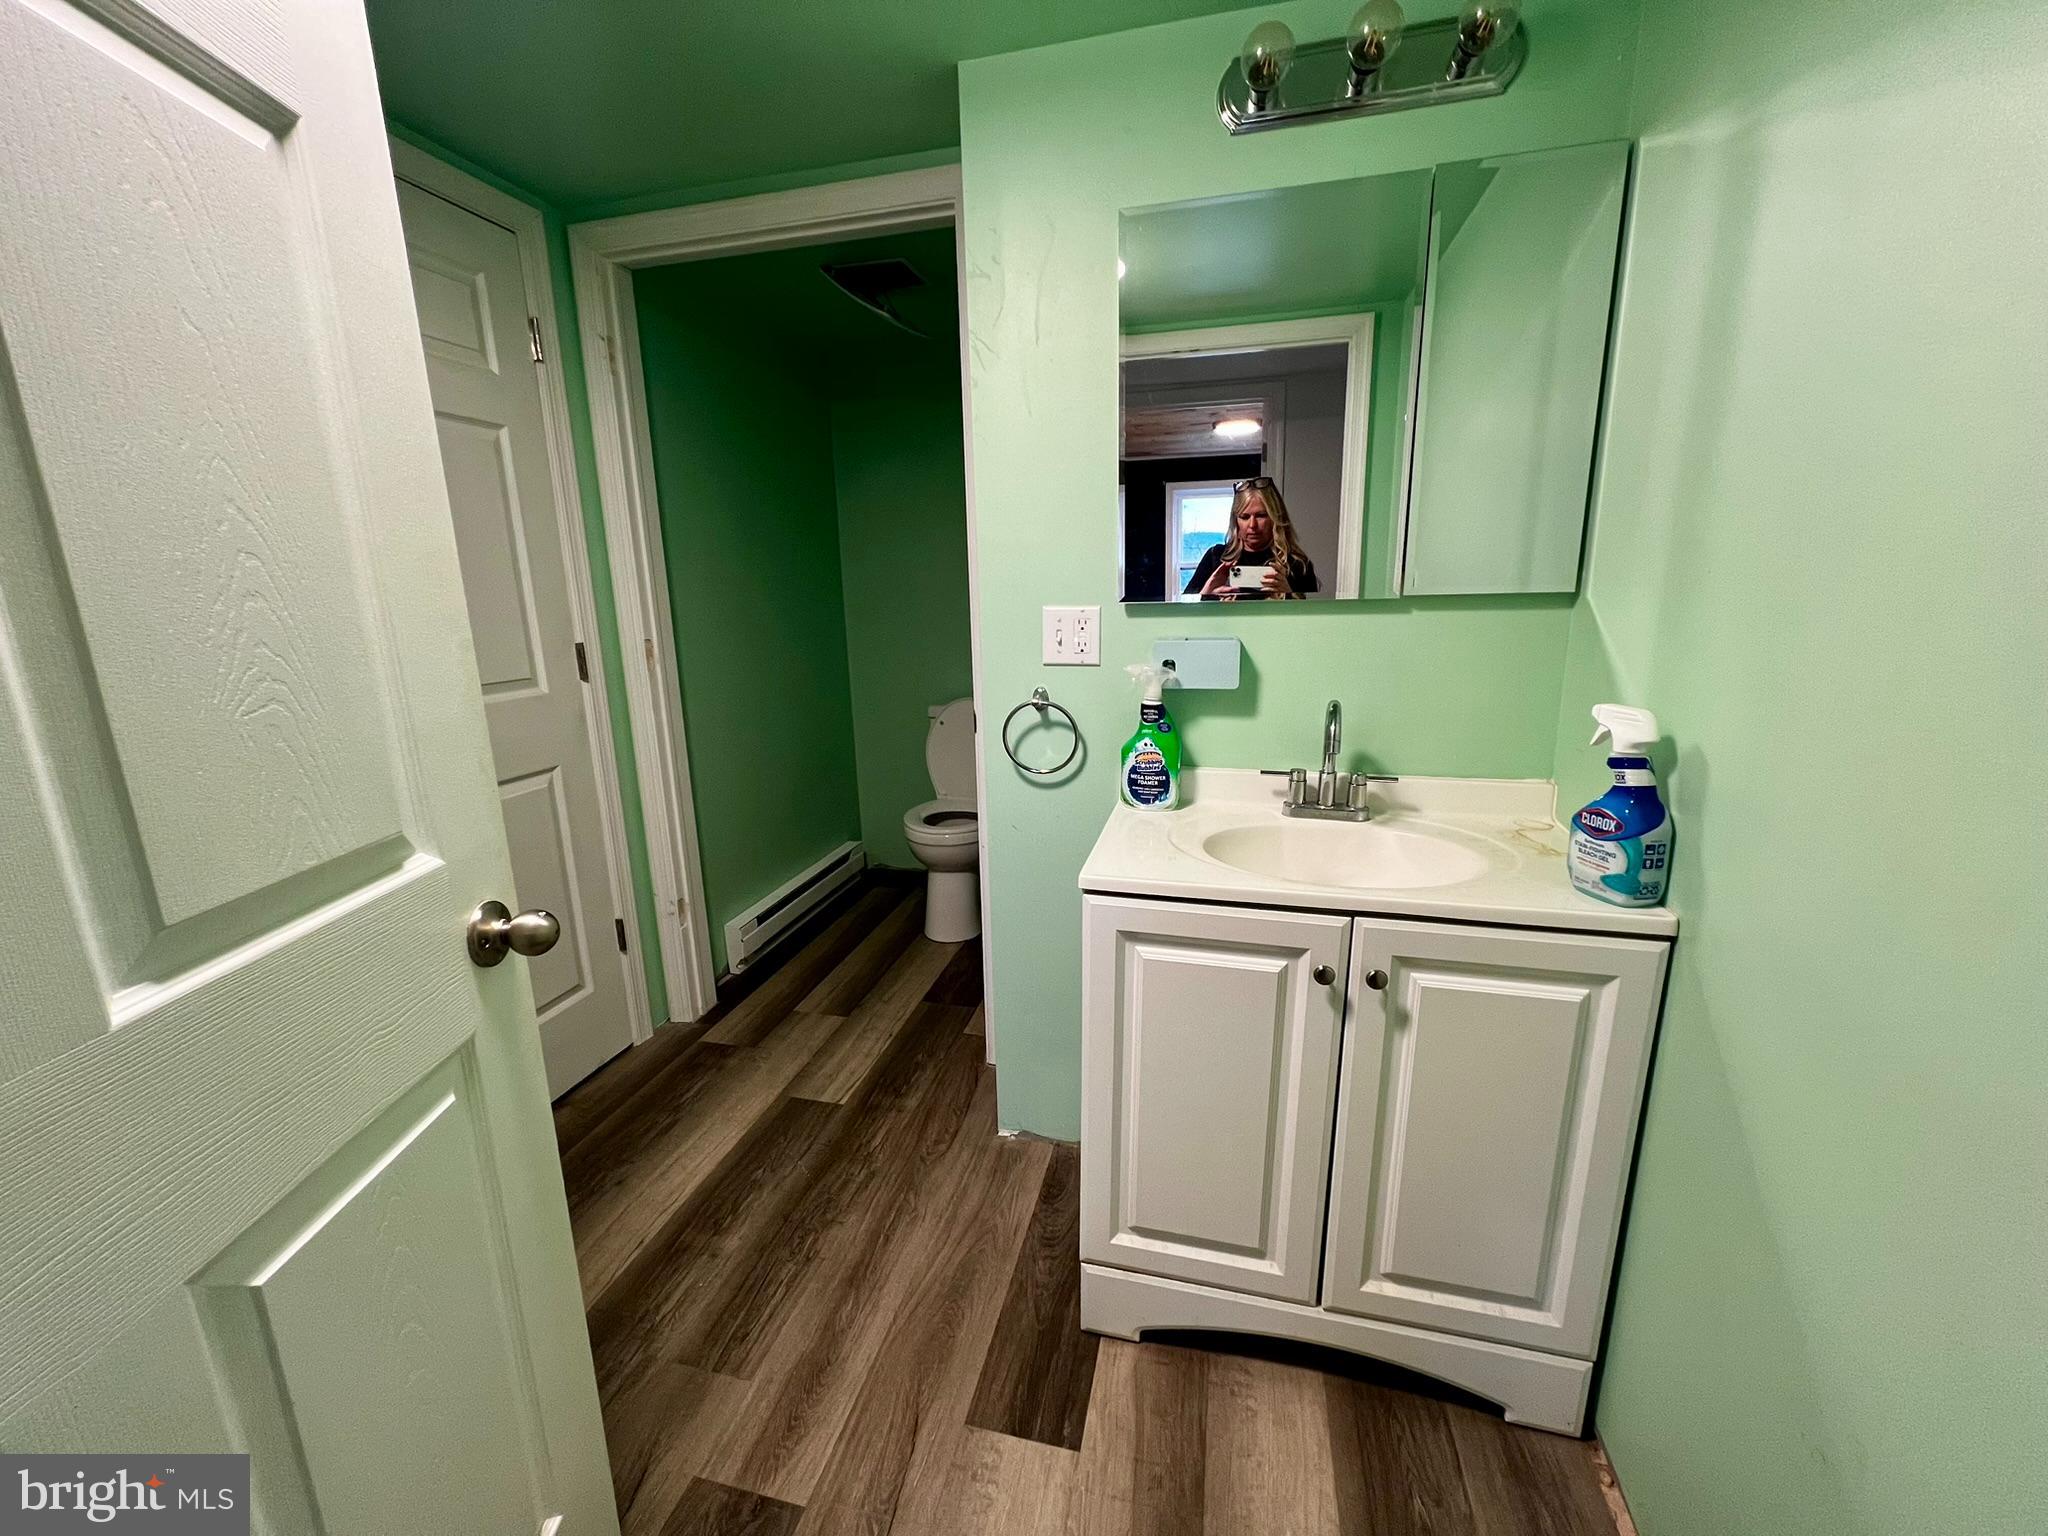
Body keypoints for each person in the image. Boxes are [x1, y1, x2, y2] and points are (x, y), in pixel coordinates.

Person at [1184, 477, 1319, 601]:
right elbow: (1182, 617)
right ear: (1236, 520)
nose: (1252, 525)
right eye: (1244, 517)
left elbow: (1314, 622)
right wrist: (1206, 595)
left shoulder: (1297, 564)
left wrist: (1288, 595)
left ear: (1275, 517)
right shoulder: (1216, 557)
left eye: (1261, 516)